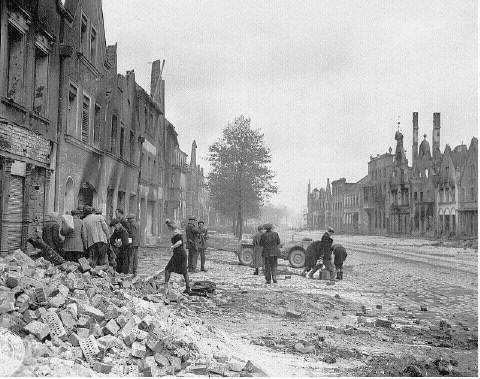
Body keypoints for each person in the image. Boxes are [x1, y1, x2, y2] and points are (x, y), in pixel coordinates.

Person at [164, 219, 190, 295]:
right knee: (184, 271)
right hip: (182, 253)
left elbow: (180, 242)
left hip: (178, 253)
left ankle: (166, 289)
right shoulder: (178, 231)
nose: (168, 229)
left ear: (170, 226)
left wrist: (172, 246)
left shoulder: (176, 232)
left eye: (168, 227)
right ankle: (188, 288)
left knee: (167, 269)